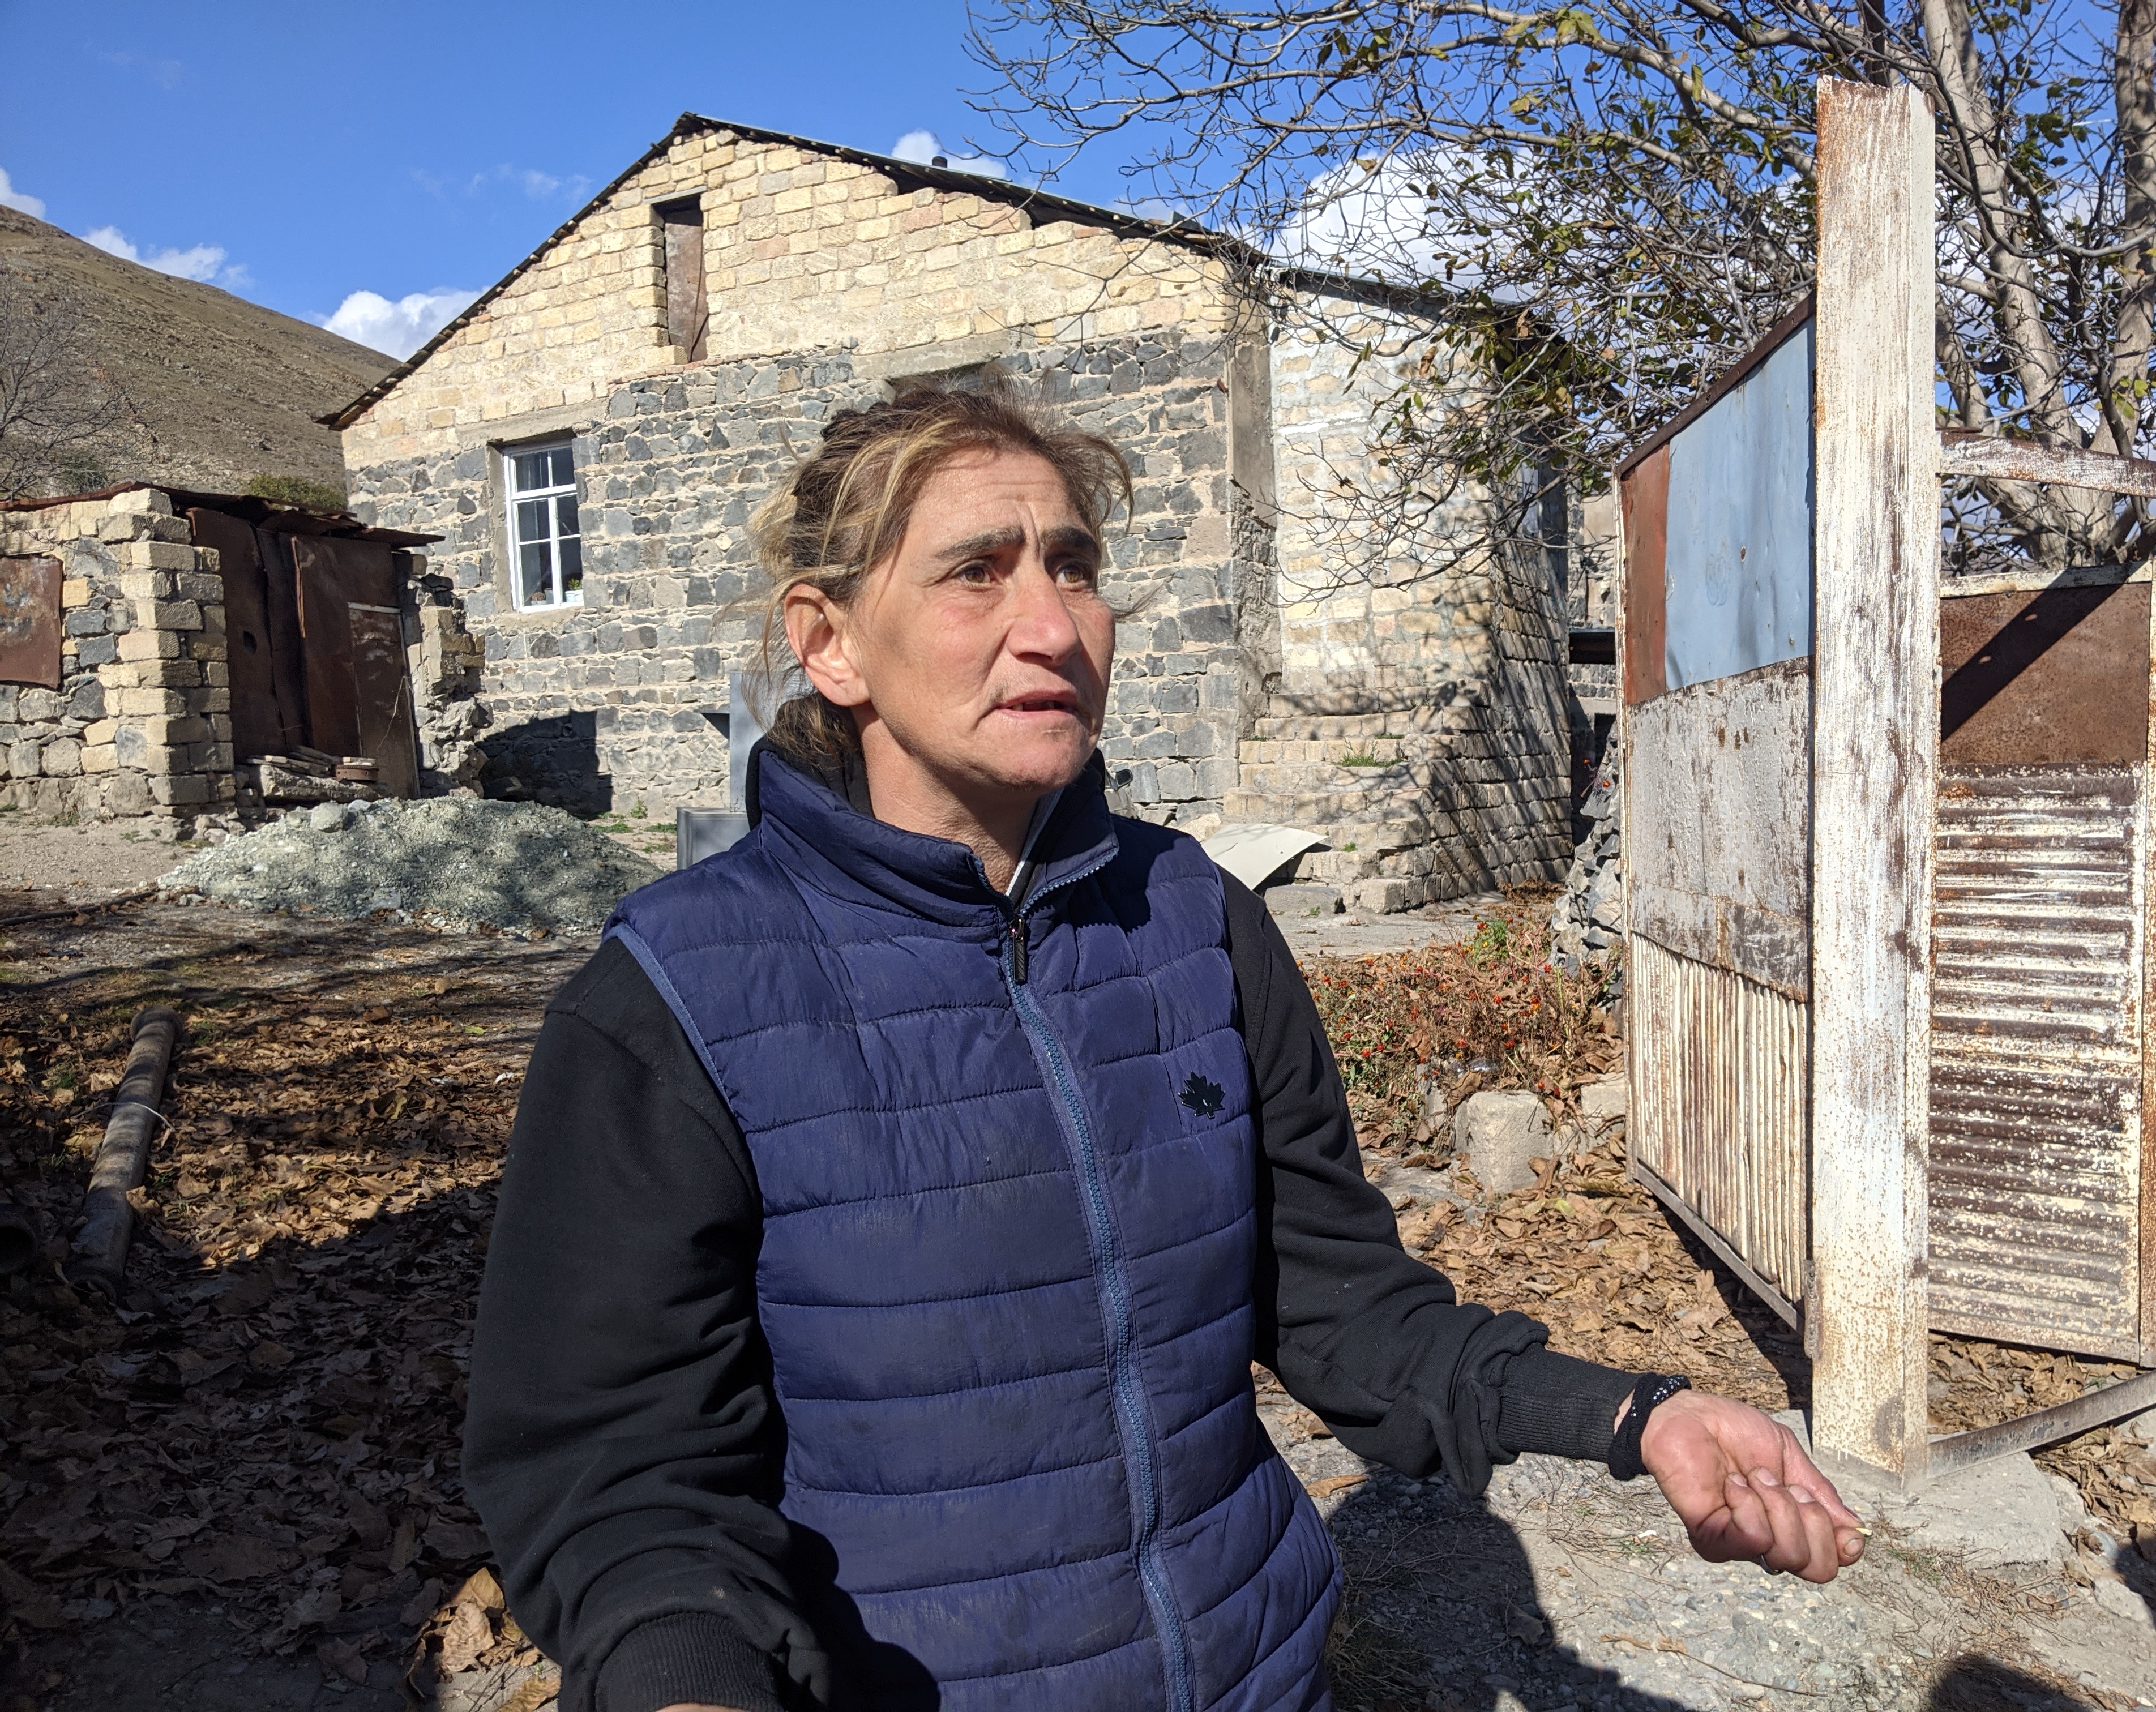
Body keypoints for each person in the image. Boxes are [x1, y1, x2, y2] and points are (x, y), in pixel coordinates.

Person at [464, 383, 1863, 1712]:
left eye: (1073, 566)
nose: (1052, 625)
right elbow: (617, 1476)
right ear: (829, 643)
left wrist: (1636, 1418)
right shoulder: (678, 995)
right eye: (976, 572)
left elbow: (1336, 1305)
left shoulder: (1192, 918)